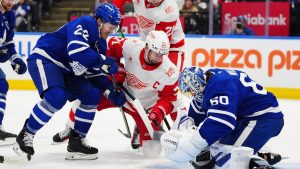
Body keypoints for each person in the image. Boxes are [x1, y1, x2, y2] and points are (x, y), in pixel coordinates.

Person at [14, 3, 123, 161]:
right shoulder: (86, 23)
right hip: (46, 58)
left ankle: (76, 142)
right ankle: (26, 134)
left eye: (115, 27)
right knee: (56, 97)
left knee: (92, 95)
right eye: (110, 26)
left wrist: (108, 89)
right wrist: (103, 61)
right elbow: (76, 50)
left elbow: (92, 72)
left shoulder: (101, 44)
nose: (112, 30)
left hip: (67, 70)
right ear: (99, 20)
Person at [54, 30, 183, 157]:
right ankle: (70, 129)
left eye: (162, 54)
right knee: (85, 99)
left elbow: (169, 99)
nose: (159, 58)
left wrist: (158, 112)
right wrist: (117, 69)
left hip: (143, 108)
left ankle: (139, 127)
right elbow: (109, 47)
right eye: (156, 53)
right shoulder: (132, 46)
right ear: (147, 46)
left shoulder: (169, 72)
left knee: (152, 152)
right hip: (119, 92)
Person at [160, 67, 284, 169]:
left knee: (229, 157)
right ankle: (262, 153)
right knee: (217, 145)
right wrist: (189, 123)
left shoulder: (219, 86)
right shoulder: (209, 80)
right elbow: (198, 110)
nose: (192, 95)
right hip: (251, 117)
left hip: (264, 118)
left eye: (192, 91)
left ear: (197, 84)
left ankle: (258, 164)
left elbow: (223, 122)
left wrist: (194, 142)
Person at [0, 0, 27, 146]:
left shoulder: (9, 15)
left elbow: (8, 43)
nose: (13, 2)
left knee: (2, 85)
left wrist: (15, 59)